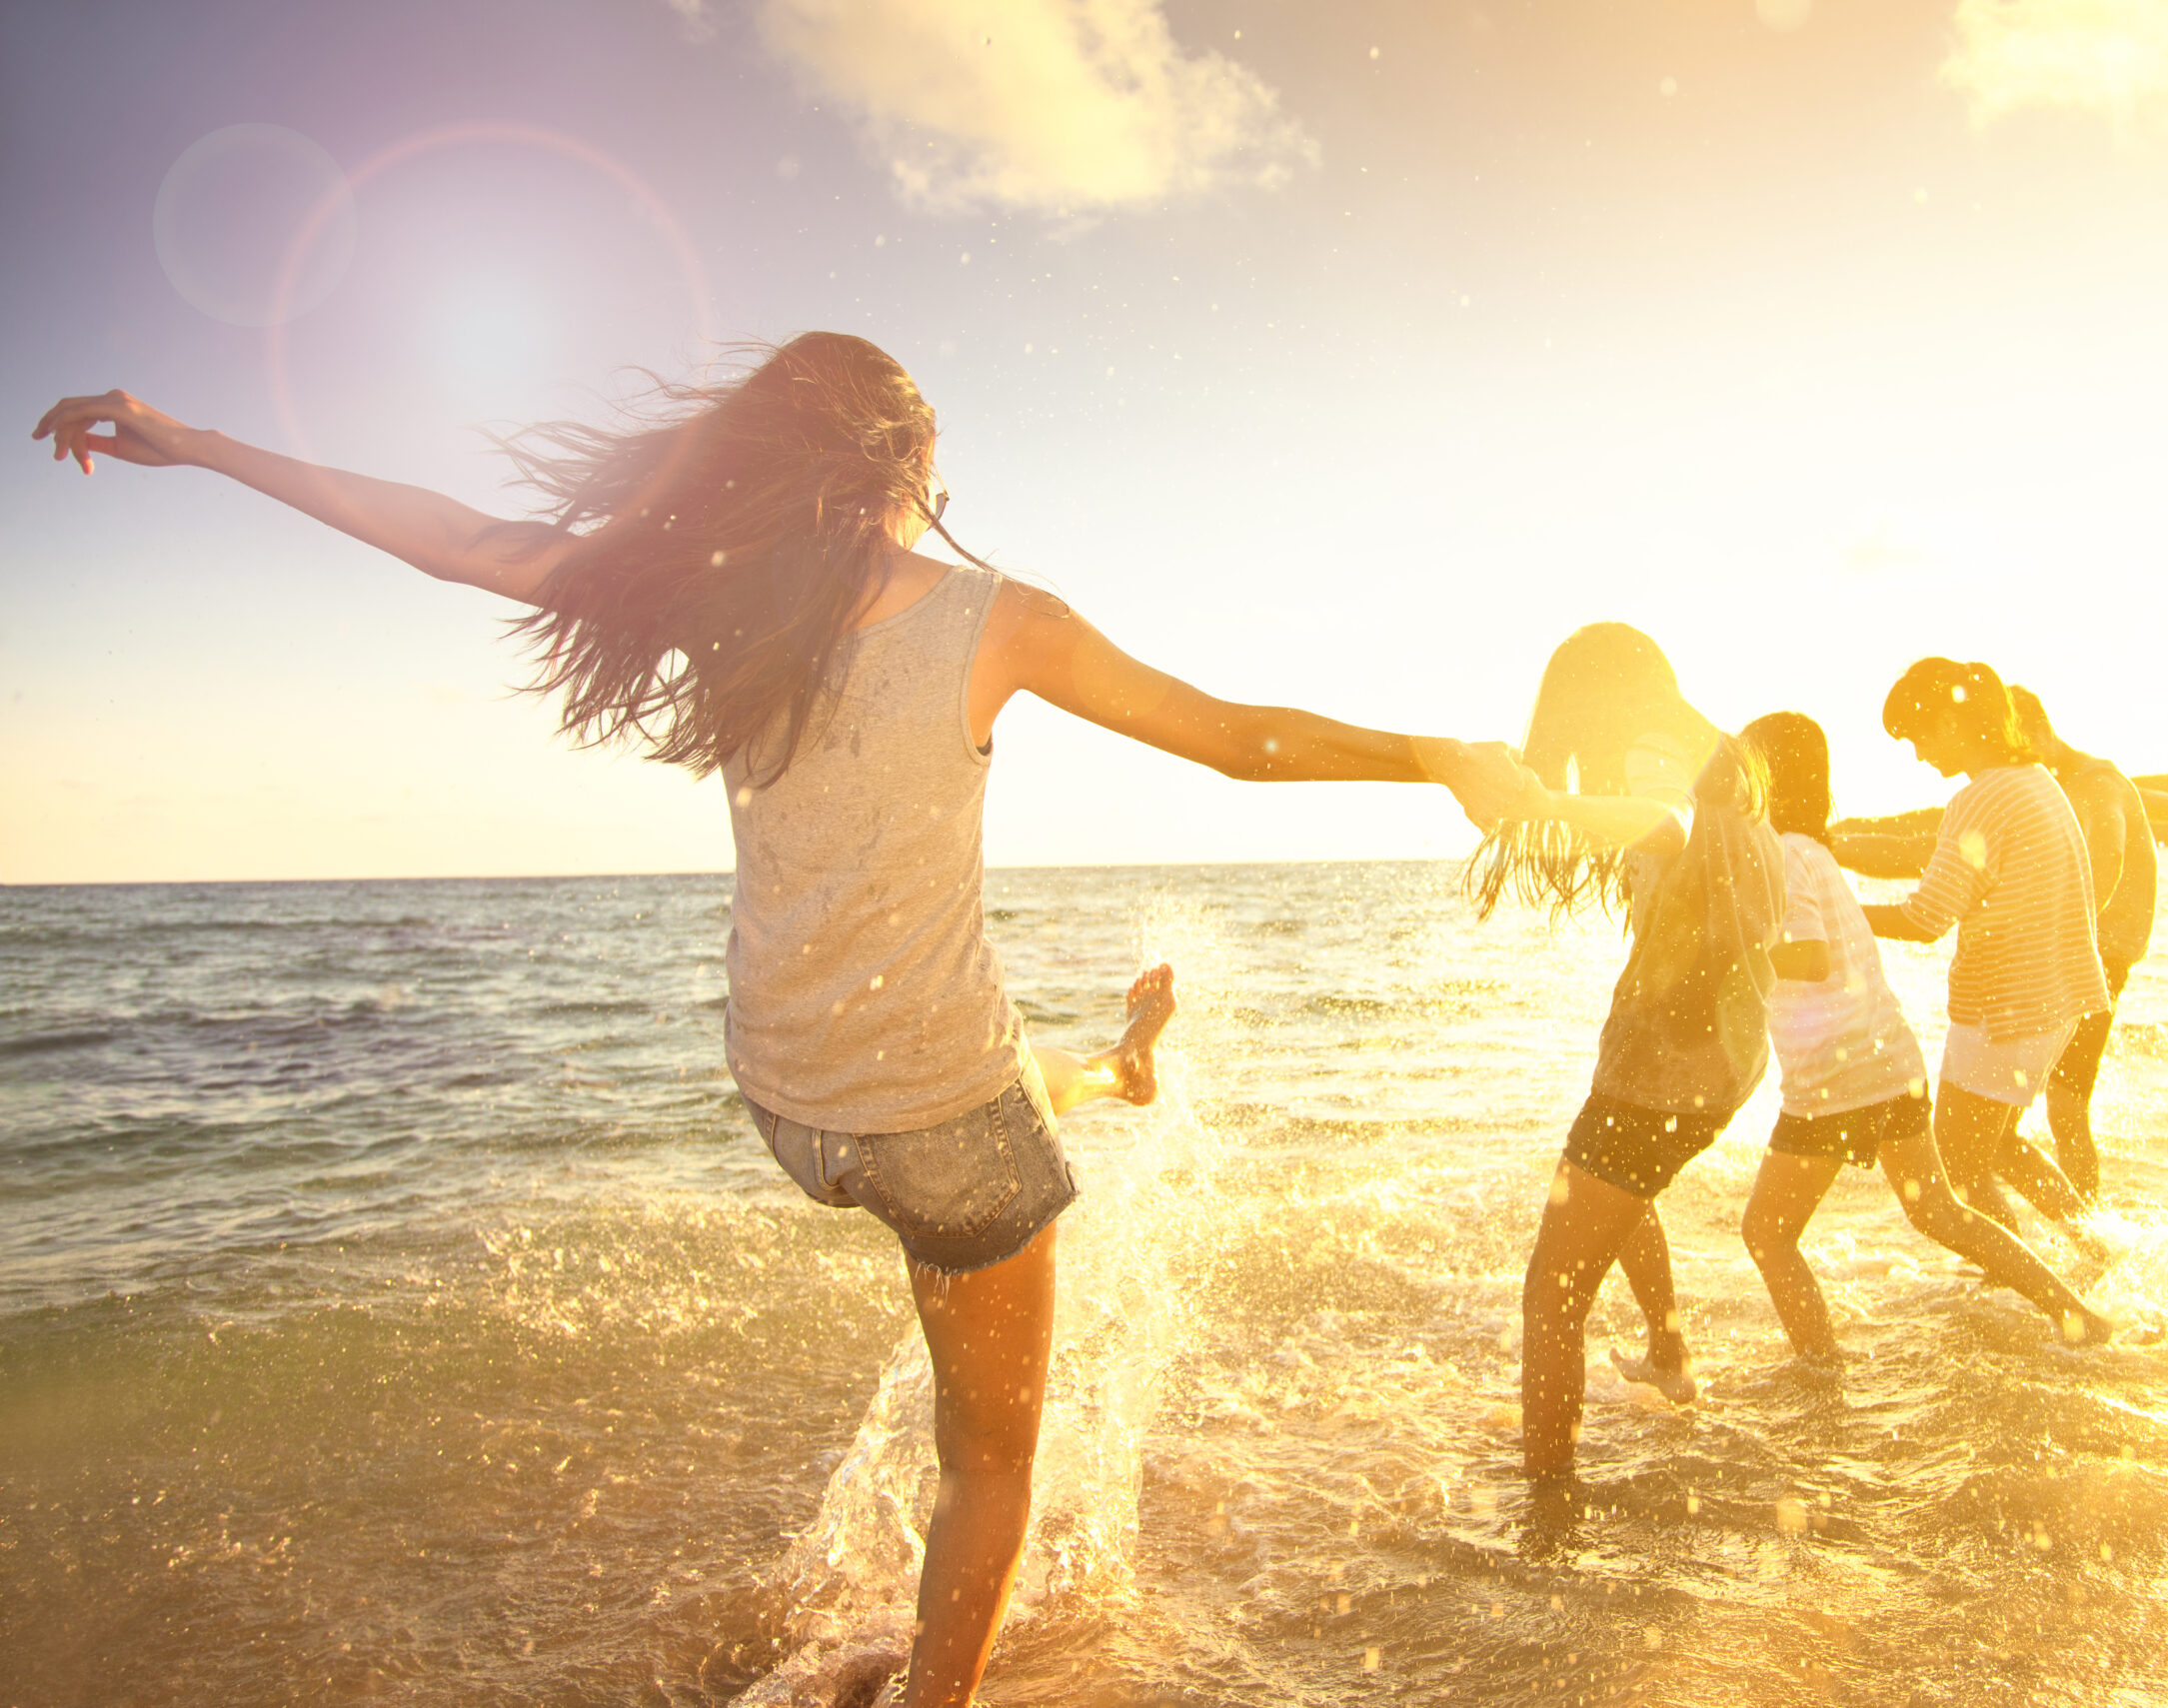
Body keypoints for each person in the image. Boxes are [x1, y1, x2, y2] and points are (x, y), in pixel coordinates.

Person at [33, 342, 1521, 1708]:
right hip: (939, 1123)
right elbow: (1233, 743)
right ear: (903, 472)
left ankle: (1115, 1067)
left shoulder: (709, 598)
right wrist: (1435, 755)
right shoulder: (1001, 620)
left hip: (791, 1110)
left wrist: (209, 445)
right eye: (938, 476)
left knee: (989, 1096)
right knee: (991, 1456)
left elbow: (454, 538)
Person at [1465, 623, 1781, 1489]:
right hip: (1719, 1065)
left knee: (1551, 1294)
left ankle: (1550, 1507)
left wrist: (1546, 807)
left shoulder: (1652, 749)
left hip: (1664, 1070)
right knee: (1615, 1190)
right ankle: (1669, 1350)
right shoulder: (1721, 757)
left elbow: (1662, 822)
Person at [1731, 713, 2110, 1362]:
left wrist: (1731, 953)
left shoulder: (1787, 856)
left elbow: (1811, 958)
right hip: (1886, 1059)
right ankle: (2075, 1314)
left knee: (1767, 1232)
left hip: (1837, 1075)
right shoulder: (1812, 851)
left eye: (1741, 772)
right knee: (1940, 1210)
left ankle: (1820, 1373)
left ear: (1766, 778)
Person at [1863, 659, 2111, 1267]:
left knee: (1957, 1167)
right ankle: (2098, 1246)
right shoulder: (2035, 781)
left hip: (2008, 1011)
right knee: (1998, 1146)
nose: (1919, 755)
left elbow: (1925, 920)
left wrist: (1837, 910)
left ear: (1951, 718)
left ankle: (2027, 1287)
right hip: (2057, 1003)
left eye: (1919, 736)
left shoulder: (1981, 799)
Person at [2007, 687, 2153, 1199]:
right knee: (2054, 1102)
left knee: (2064, 1104)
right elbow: (2146, 798)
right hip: (2089, 952)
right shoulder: (2080, 779)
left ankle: (2089, 1226)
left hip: (2097, 954)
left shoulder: (2092, 782)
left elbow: (2109, 853)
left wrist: (2069, 933)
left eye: (2013, 745)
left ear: (2035, 730)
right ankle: (2084, 1221)